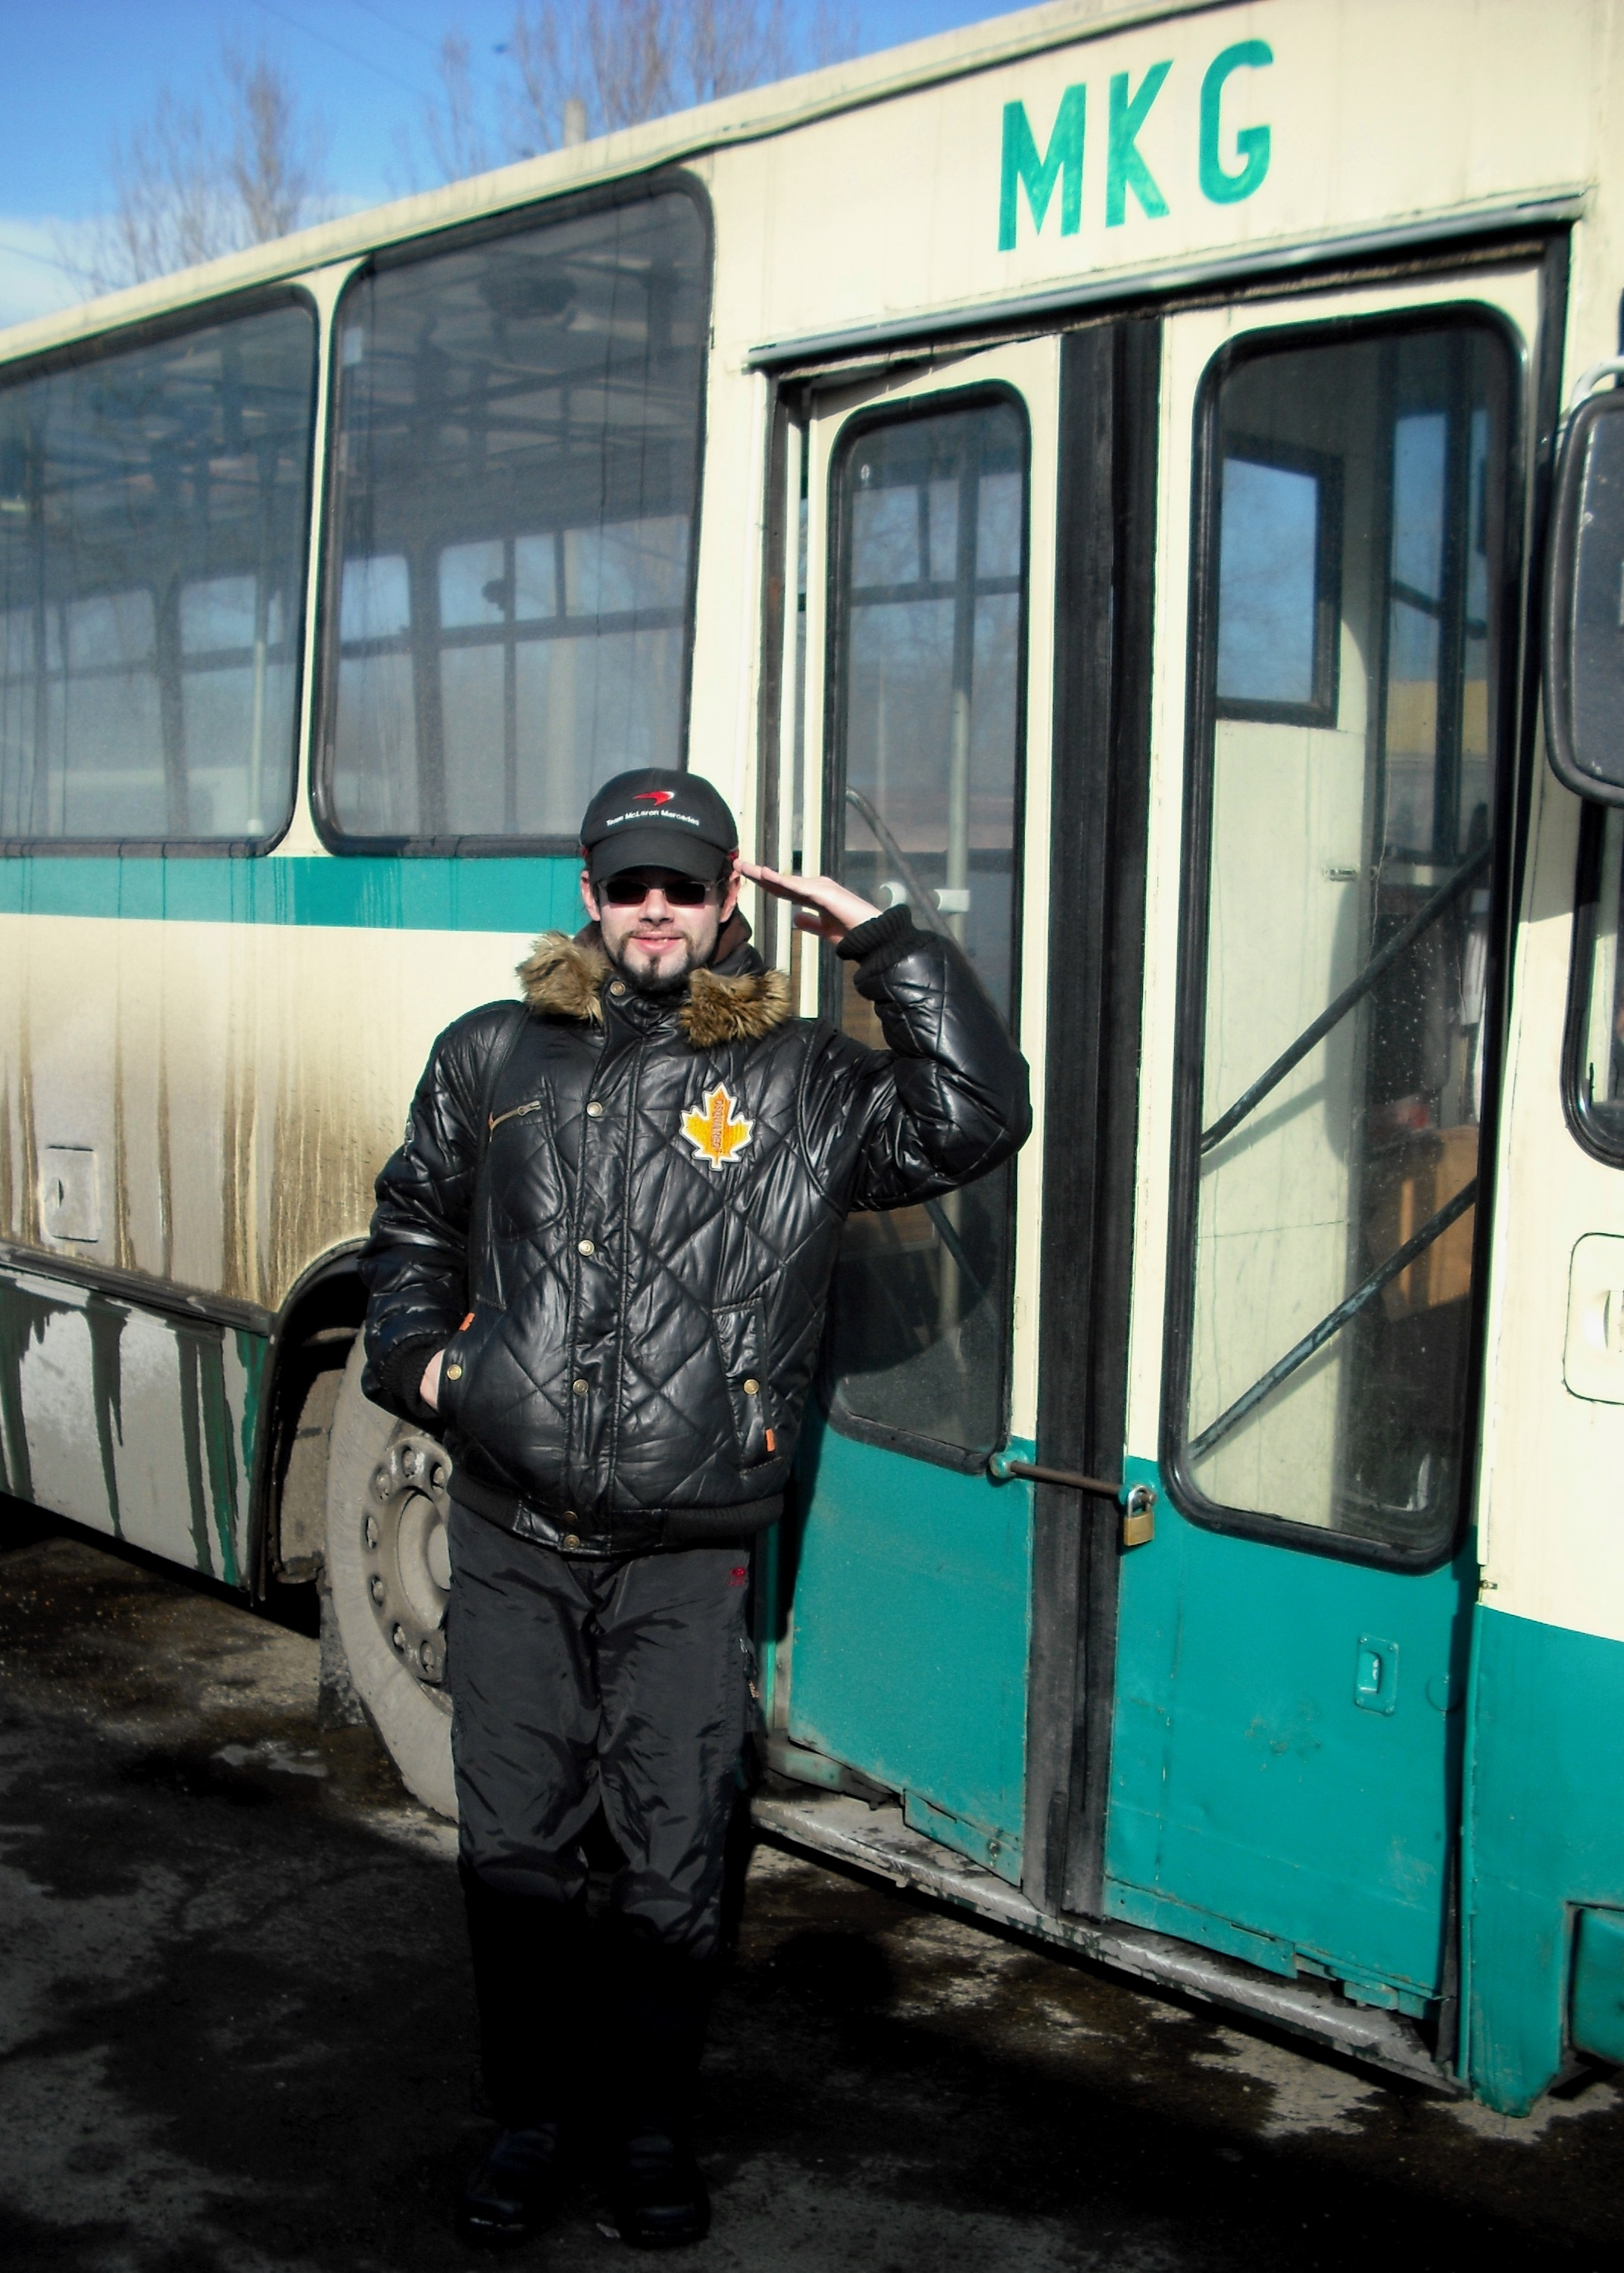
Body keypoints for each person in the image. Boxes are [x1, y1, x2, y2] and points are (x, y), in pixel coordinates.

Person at [360, 767, 1030, 2250]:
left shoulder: (801, 1079)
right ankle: (531, 2122)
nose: (653, 909)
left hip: (687, 1555)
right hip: (511, 1533)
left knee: (675, 1859)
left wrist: (886, 938)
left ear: (728, 900)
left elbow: (978, 1115)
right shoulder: (493, 1055)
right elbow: (411, 1214)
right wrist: (425, 1366)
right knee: (517, 1854)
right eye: (627, 883)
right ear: (590, 898)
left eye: (684, 883)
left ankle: (652, 2131)